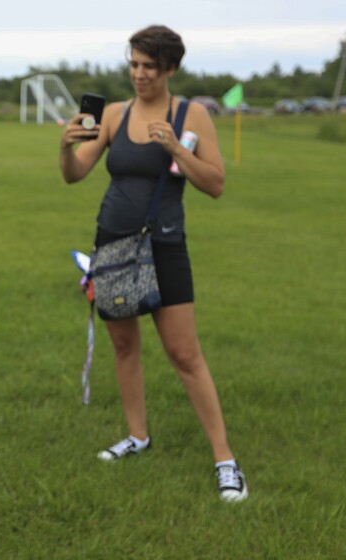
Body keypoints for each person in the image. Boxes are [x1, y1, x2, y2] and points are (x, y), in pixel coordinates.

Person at [58, 25, 248, 502]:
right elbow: (75, 173)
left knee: (185, 355)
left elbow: (216, 184)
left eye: (148, 66)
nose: (139, 74)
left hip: (164, 246)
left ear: (170, 69)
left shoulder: (192, 115)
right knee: (124, 348)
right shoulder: (116, 114)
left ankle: (226, 460)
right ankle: (137, 436)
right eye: (134, 64)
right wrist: (64, 146)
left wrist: (177, 149)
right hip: (112, 246)